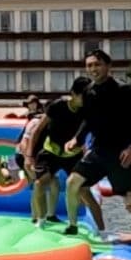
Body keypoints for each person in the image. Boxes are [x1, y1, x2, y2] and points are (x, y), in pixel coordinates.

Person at [64, 50, 131, 253]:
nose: (93, 69)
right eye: (89, 65)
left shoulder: (124, 90)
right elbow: (88, 120)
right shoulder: (88, 91)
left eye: (97, 64)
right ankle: (72, 226)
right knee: (72, 183)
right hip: (98, 152)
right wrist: (76, 139)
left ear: (107, 66)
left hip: (121, 153)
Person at [26, 77, 90, 225]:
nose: (86, 100)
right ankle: (41, 219)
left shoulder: (87, 110)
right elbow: (37, 131)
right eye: (83, 96)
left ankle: (96, 226)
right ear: (73, 94)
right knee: (39, 183)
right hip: (51, 151)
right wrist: (29, 156)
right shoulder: (57, 106)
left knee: (83, 190)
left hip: (73, 153)